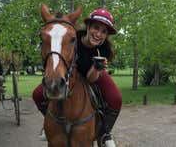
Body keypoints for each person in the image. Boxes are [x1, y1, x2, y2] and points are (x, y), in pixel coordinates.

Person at [33, 8, 122, 146]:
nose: (98, 34)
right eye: (96, 28)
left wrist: (97, 68)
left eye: (104, 31)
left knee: (116, 98)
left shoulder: (104, 50)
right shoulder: (72, 36)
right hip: (70, 71)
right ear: (88, 27)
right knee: (37, 94)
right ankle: (51, 123)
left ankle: (104, 132)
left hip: (92, 73)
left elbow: (91, 78)